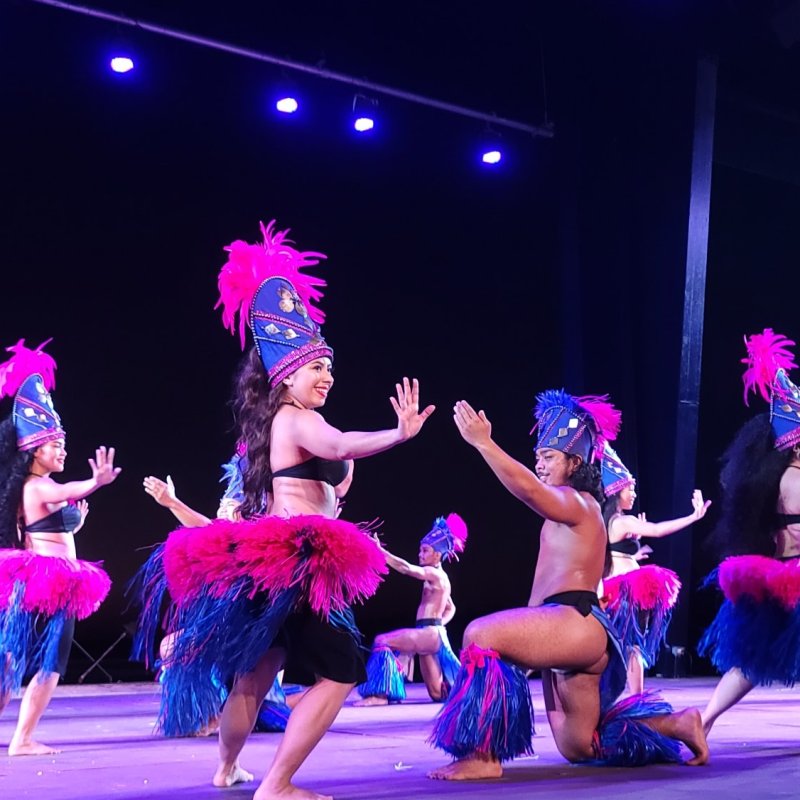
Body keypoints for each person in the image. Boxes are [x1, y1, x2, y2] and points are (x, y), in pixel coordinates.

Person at [132, 220, 434, 799]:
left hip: (273, 565)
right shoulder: (298, 418)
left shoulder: (279, 424)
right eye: (318, 367)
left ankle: (227, 769)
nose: (328, 376)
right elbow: (341, 445)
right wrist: (397, 434)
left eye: (330, 367)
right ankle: (277, 784)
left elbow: (334, 476)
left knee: (255, 674)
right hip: (298, 565)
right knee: (342, 670)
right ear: (287, 374)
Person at [428, 390, 708, 781]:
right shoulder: (572, 509)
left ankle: (484, 756)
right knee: (578, 745)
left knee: (480, 634)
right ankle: (677, 724)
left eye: (548, 457)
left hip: (574, 622)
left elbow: (528, 490)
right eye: (538, 457)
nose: (539, 464)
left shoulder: (578, 502)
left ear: (574, 462)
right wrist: (523, 646)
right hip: (571, 630)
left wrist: (484, 443)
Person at [0, 340, 118, 755]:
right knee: (49, 661)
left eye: (63, 442)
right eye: (56, 444)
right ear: (35, 450)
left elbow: (46, 526)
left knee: (13, 658)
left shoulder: (33, 489)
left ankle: (20, 736)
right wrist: (95, 483)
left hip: (43, 583)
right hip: (49, 585)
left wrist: (75, 523)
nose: (63, 449)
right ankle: (22, 738)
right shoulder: (38, 486)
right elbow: (67, 490)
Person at [699, 328, 800, 734]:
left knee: (750, 663)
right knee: (753, 662)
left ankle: (705, 718)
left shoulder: (774, 481)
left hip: (778, 578)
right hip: (795, 579)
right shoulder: (795, 480)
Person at [600, 441, 710, 693]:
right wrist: (693, 517)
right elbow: (658, 530)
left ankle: (617, 694)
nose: (634, 494)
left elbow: (612, 554)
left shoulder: (610, 522)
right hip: (626, 591)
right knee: (633, 645)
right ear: (616, 491)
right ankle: (636, 698)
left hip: (614, 589)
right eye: (630, 489)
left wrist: (635, 552)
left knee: (621, 645)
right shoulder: (622, 521)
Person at [355, 513, 467, 706]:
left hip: (429, 633)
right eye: (420, 550)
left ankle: (380, 695)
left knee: (382, 641)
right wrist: (439, 626)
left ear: (437, 555)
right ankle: (466, 695)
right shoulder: (440, 578)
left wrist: (381, 552)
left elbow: (406, 568)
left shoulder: (433, 574)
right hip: (432, 633)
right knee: (437, 693)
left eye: (425, 551)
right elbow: (451, 607)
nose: (420, 554)